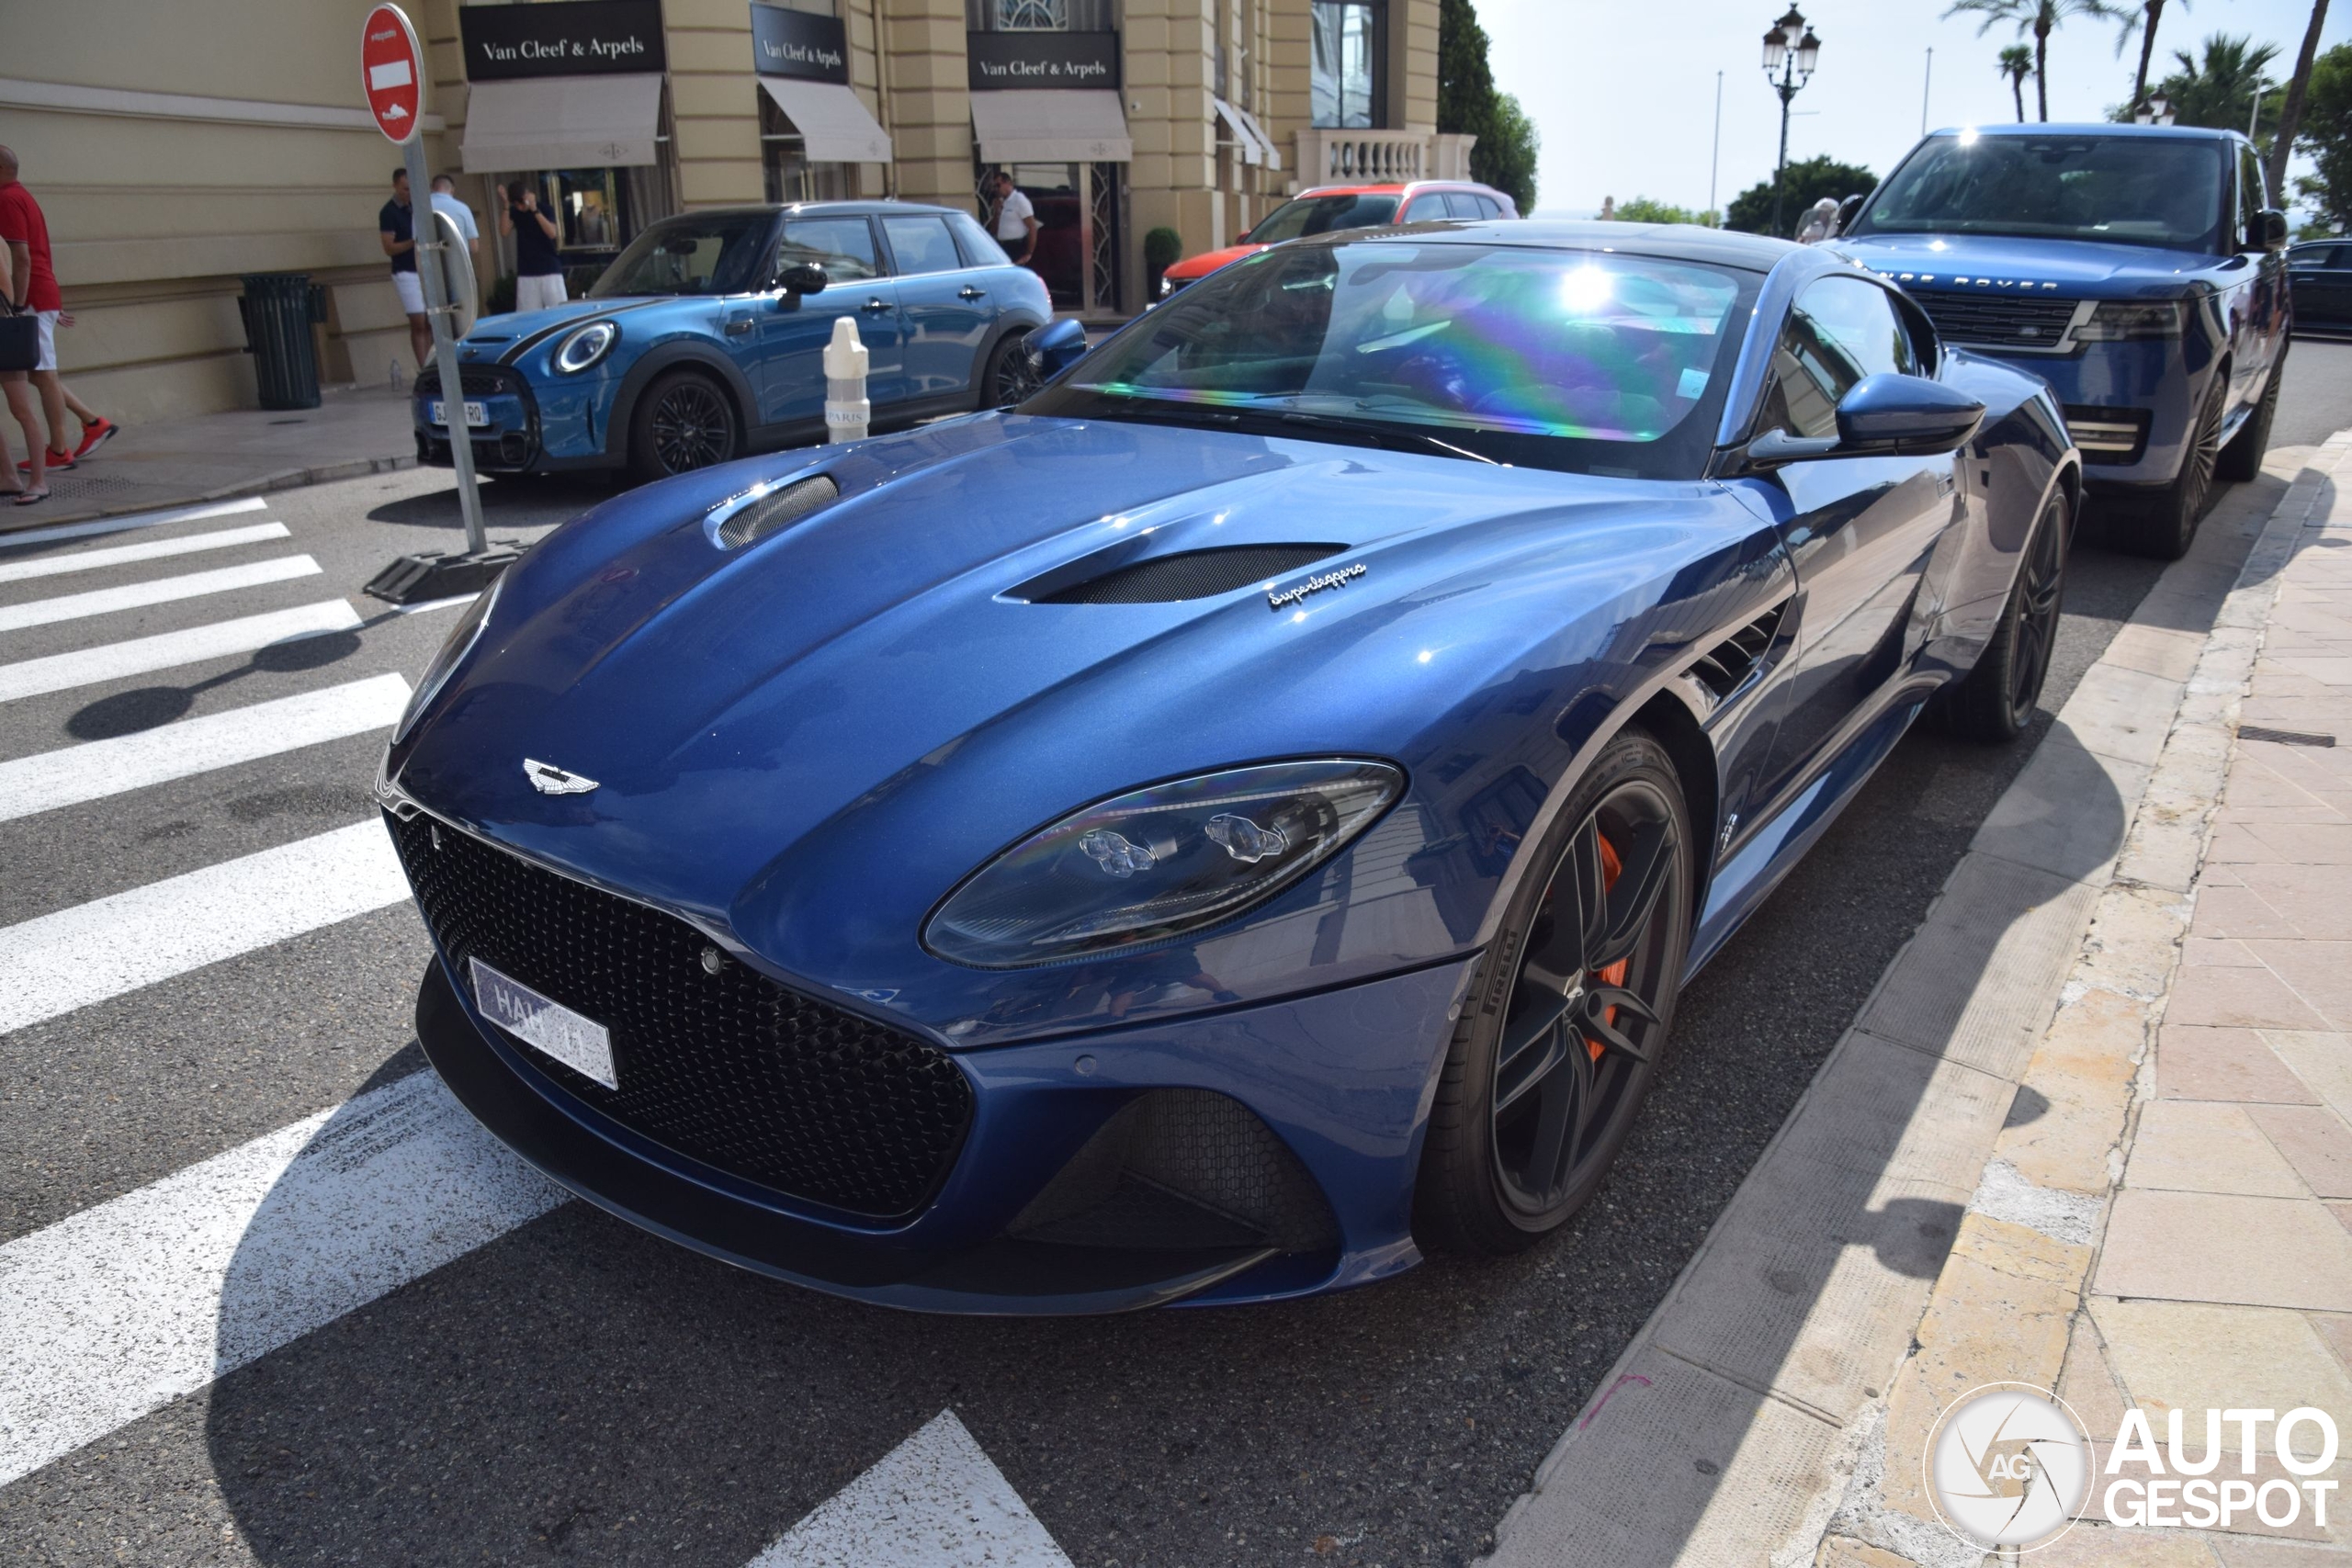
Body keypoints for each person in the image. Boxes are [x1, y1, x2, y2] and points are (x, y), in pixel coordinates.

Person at [0, 144, 116, 491]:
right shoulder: (22, 195)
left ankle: (60, 450)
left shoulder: (5, 200)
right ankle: (92, 422)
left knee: (43, 375)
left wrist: (19, 307)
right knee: (35, 372)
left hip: (30, 297)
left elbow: (21, 258)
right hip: (40, 294)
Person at [379, 167, 430, 369]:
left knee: (431, 322)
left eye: (411, 189)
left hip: (424, 270)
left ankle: (433, 366)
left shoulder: (419, 207)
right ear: (395, 186)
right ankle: (423, 367)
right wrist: (413, 242)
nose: (409, 193)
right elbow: (388, 247)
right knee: (418, 321)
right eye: (405, 189)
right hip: (405, 271)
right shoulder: (389, 212)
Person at [502, 182, 566, 313]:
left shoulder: (545, 209)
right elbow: (504, 231)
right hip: (527, 271)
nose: (520, 207)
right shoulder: (515, 212)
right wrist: (506, 207)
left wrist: (535, 210)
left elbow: (552, 233)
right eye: (516, 204)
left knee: (559, 311)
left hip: (550, 269)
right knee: (527, 314)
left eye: (521, 202)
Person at [989, 171, 1037, 268]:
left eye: (998, 185)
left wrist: (1029, 253)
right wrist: (997, 212)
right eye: (994, 187)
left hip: (1016, 246)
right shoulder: (1002, 202)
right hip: (1003, 246)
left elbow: (1032, 227)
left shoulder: (1019, 200)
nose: (997, 189)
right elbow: (993, 230)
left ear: (1008, 183)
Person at [429, 174, 480, 265]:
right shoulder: (462, 208)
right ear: (452, 189)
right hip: (459, 266)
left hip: (431, 267)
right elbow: (474, 247)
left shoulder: (420, 210)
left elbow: (417, 244)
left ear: (431, 188)